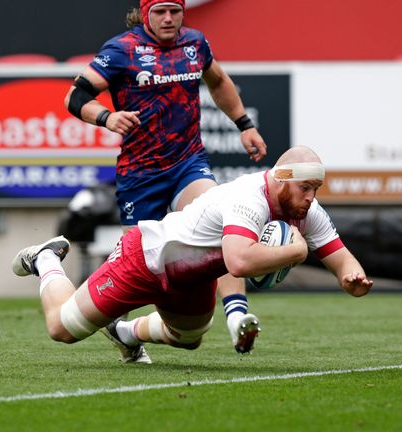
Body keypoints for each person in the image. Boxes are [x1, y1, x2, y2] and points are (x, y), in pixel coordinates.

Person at [11, 146, 373, 364]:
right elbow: (239, 262)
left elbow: (340, 257)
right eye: (305, 187)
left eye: (316, 189)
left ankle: (125, 333)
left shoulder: (306, 210)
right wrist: (294, 252)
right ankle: (45, 259)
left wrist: (352, 278)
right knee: (62, 329)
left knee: (188, 339)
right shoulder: (248, 198)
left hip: (190, 278)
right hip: (146, 260)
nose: (311, 197)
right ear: (281, 180)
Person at [63, 0, 268, 354]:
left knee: (223, 221)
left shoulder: (194, 44)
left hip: (188, 163)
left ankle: (236, 315)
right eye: (160, 11)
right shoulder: (122, 49)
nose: (169, 18)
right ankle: (123, 330)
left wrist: (244, 125)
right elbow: (76, 95)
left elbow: (218, 80)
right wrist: (107, 118)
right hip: (141, 175)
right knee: (137, 270)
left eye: (175, 10)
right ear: (145, 14)